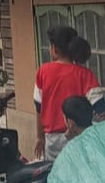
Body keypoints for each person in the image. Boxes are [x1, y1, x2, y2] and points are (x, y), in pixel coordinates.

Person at [34, 26, 100, 160]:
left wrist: (40, 138)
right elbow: (100, 108)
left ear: (55, 49)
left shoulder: (43, 72)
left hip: (51, 141)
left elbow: (38, 108)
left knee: (53, 177)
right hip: (79, 138)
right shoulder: (85, 75)